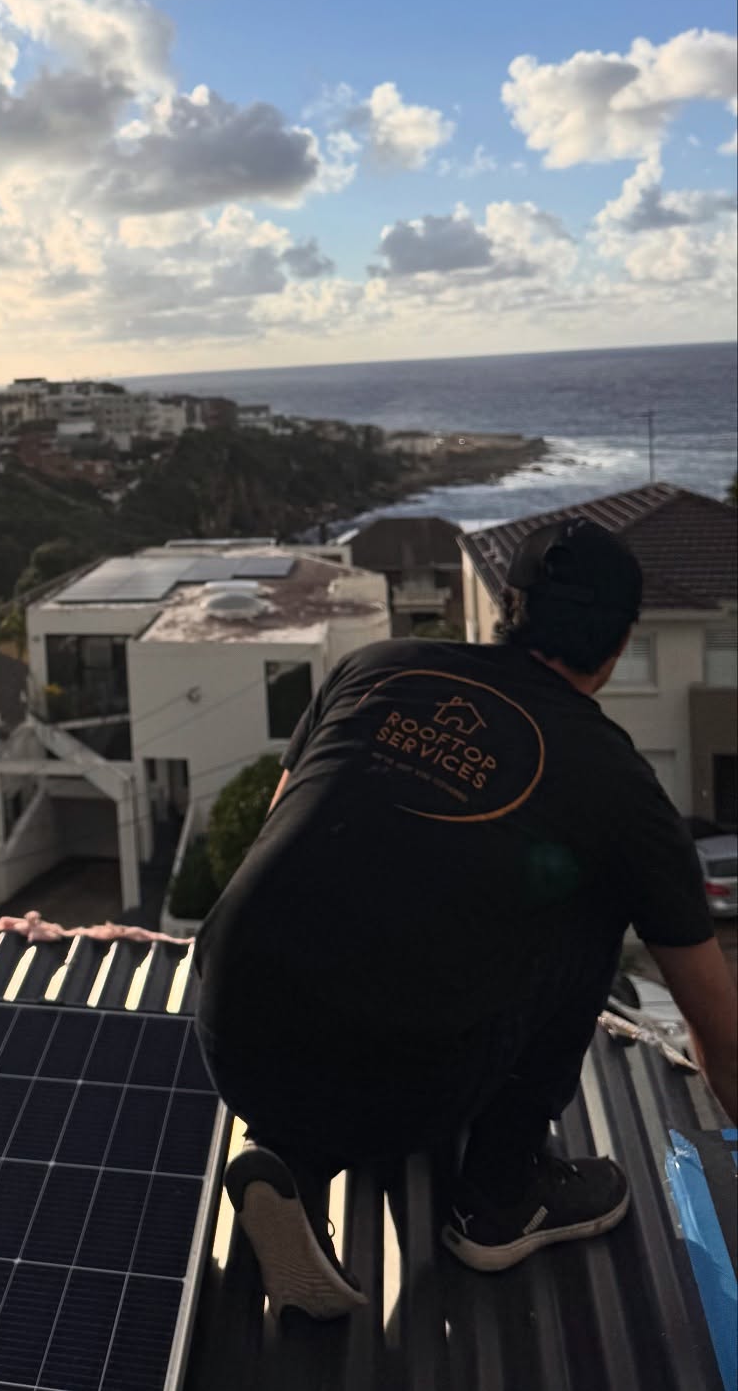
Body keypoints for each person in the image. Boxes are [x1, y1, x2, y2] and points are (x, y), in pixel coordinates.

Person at [194, 518, 738, 1319]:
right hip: (408, 1081)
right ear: (620, 645)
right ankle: (499, 1196)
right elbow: (717, 1032)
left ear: (508, 608)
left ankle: (293, 1164)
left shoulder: (373, 668)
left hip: (229, 1029)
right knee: (592, 898)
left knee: (340, 930)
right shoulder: (620, 781)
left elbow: (278, 842)